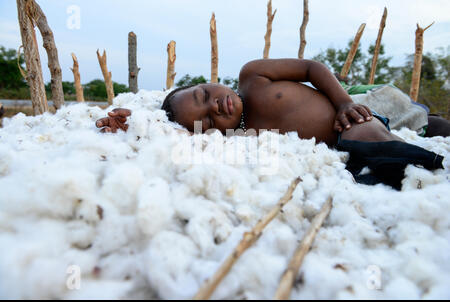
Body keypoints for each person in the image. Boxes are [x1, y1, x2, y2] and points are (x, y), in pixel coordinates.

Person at [95, 59, 446, 189]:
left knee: (415, 124)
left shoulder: (253, 77)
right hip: (347, 137)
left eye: (205, 94)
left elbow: (312, 69)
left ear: (207, 82)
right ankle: (419, 152)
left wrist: (343, 102)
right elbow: (174, 135)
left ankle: (419, 146)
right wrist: (137, 123)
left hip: (355, 111)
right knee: (399, 137)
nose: (214, 106)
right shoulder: (241, 135)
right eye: (205, 119)